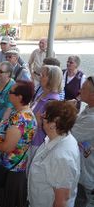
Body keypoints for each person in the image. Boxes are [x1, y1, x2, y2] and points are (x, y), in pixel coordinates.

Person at [0, 80, 37, 207]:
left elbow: (7, 147)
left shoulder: (19, 119)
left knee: (7, 201)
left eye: (11, 92)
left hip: (10, 170)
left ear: (19, 97)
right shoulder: (24, 112)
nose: (8, 94)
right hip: (15, 167)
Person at [28, 101, 80, 207]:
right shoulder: (59, 137)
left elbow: (61, 201)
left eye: (45, 116)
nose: (42, 117)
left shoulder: (61, 158)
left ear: (53, 123)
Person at [30, 65, 63, 159]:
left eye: (43, 75)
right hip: (32, 138)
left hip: (38, 142)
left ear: (51, 80)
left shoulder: (52, 101)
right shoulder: (42, 93)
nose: (40, 77)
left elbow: (44, 125)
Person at [71, 76, 94, 207]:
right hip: (83, 173)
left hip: (87, 179)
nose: (80, 90)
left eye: (84, 89)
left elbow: (68, 135)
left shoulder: (92, 118)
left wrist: (66, 112)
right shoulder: (88, 109)